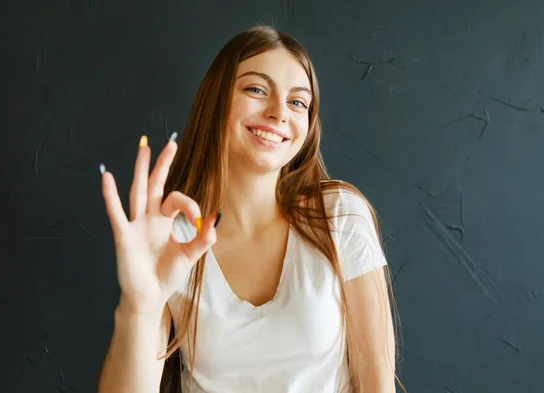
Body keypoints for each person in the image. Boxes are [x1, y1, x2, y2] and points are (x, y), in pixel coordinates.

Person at [97, 24, 401, 393]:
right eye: (257, 89)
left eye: (297, 102)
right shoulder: (174, 239)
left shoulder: (340, 216)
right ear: (217, 100)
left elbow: (377, 386)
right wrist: (139, 307)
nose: (278, 113)